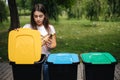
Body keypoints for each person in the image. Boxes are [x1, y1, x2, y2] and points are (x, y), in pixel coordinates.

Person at [23, 3, 57, 80]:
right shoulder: (27, 27)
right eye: (35, 16)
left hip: (46, 57)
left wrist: (50, 46)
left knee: (46, 75)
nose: (38, 19)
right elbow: (23, 44)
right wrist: (18, 32)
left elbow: (54, 44)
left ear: (44, 15)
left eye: (40, 16)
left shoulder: (50, 28)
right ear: (32, 16)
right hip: (31, 58)